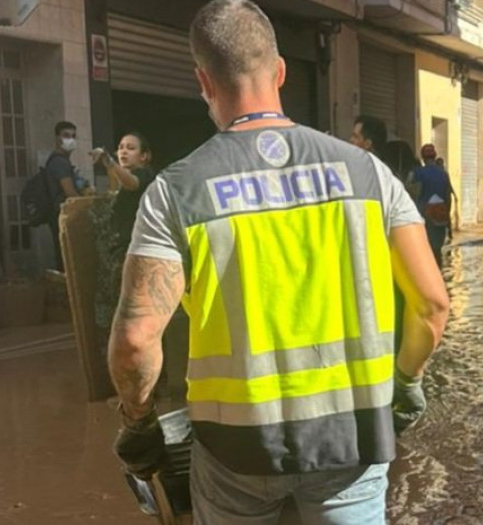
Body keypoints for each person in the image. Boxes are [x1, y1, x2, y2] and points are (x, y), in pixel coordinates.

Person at [106, 3, 450, 524]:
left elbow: (135, 343)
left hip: (235, 451)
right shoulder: (370, 175)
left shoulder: (175, 193)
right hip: (350, 440)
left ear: (204, 81)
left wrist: (138, 423)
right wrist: (405, 385)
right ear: (282, 71)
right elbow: (431, 304)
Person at [91, 132, 157, 253]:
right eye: (121, 147)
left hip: (137, 246)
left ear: (143, 156)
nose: (124, 152)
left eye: (131, 148)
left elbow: (133, 183)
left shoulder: (145, 173)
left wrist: (111, 163)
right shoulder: (121, 177)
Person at [45, 121, 85, 270]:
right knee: (67, 259)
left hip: (59, 214)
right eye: (66, 135)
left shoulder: (62, 161)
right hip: (62, 214)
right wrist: (86, 204)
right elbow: (69, 193)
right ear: (57, 138)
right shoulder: (59, 163)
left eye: (74, 136)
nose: (71, 140)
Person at [411, 144, 456, 265]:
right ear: (434, 156)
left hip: (423, 216)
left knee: (424, 252)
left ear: (422, 157)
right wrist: (447, 220)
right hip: (439, 216)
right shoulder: (443, 174)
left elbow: (409, 191)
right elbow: (448, 198)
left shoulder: (418, 173)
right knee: (437, 251)